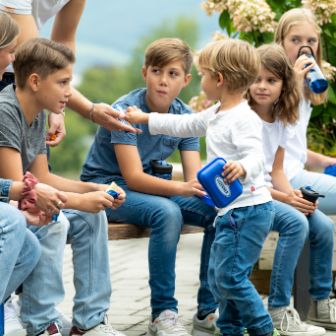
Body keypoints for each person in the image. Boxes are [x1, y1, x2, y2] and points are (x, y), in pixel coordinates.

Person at [125, 38, 277, 336]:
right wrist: (144, 118)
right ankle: (230, 328)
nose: (201, 82)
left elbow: (257, 155)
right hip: (232, 212)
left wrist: (244, 167)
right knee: (225, 277)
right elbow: (183, 125)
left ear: (218, 79)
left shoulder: (244, 118)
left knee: (230, 278)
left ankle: (263, 328)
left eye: (204, 75)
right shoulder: (217, 113)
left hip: (248, 211)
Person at [81, 37, 218, 336]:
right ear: (145, 73)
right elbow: (133, 178)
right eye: (157, 71)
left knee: (218, 214)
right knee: (167, 213)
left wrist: (209, 191)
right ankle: (163, 313)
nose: (163, 81)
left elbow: (193, 179)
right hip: (106, 186)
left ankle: (208, 310)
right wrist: (182, 189)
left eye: (172, 74)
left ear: (186, 80)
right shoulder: (126, 110)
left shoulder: (184, 117)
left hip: (147, 190)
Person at [0, 37, 127, 336]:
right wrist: (81, 201)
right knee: (54, 223)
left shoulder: (38, 110)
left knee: (94, 215)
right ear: (34, 81)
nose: (70, 93)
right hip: (11, 210)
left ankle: (90, 323)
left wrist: (94, 190)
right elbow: (24, 195)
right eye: (63, 82)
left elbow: (43, 177)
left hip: (24, 202)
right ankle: (43, 323)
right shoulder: (6, 112)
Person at [247, 42, 334, 335]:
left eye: (271, 80)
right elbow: (252, 181)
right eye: (256, 79)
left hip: (272, 191)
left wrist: (292, 195)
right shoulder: (245, 121)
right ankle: (278, 309)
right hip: (248, 194)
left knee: (322, 225)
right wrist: (287, 198)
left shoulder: (283, 119)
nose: (262, 86)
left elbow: (277, 171)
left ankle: (320, 304)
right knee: (296, 222)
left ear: (284, 85)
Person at [0, 0, 138, 141]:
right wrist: (89, 110)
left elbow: (64, 42)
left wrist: (58, 109)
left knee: (34, 155)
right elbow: (30, 59)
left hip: (29, 81)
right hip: (10, 73)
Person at [274, 7, 336, 215]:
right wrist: (292, 84)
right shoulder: (272, 86)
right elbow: (273, 140)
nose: (305, 48)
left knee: (319, 228)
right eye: (295, 40)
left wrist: (326, 161)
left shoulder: (306, 86)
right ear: (280, 43)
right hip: (280, 180)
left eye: (311, 41)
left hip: (294, 171)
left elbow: (293, 146)